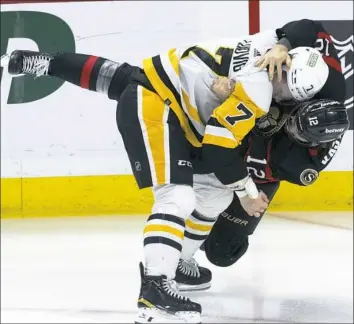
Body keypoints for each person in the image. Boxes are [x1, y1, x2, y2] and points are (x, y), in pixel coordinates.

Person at [4, 18, 339, 323]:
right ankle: (155, 289)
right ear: (283, 76)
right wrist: (249, 194)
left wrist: (280, 44)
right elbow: (219, 148)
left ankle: (180, 262)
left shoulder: (270, 42)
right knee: (176, 195)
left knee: (214, 194)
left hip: (170, 90)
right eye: (286, 95)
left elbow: (306, 27)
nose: (283, 102)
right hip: (159, 106)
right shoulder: (259, 91)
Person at [199, 98, 349, 268]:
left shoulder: (299, 165)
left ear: (314, 143)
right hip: (228, 155)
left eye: (297, 131)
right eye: (293, 120)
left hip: (255, 182)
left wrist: (251, 194)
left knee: (222, 252)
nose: (289, 127)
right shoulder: (301, 99)